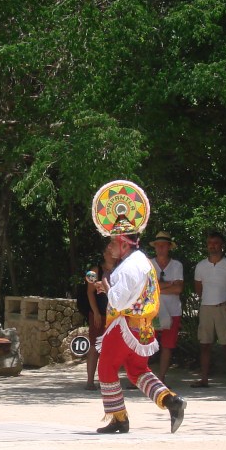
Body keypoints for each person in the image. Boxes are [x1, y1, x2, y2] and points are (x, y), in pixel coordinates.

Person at [90, 181, 186, 434]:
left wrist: (107, 287)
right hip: (143, 330)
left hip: (124, 328)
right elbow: (130, 295)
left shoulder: (128, 266)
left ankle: (119, 418)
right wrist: (108, 288)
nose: (110, 247)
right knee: (137, 370)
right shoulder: (142, 261)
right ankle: (171, 401)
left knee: (107, 368)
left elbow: (119, 301)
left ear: (123, 243)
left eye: (112, 242)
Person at [191, 231, 226, 388]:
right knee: (204, 344)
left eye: (216, 243)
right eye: (210, 243)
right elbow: (198, 289)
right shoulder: (200, 266)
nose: (212, 246)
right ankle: (204, 379)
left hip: (224, 307)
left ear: (222, 245)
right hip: (206, 307)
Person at [150, 230, 184, 381]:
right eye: (158, 245)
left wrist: (157, 286)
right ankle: (142, 376)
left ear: (169, 247)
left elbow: (178, 289)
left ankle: (161, 377)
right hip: (150, 311)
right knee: (145, 344)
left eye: (164, 246)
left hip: (172, 311)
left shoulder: (177, 265)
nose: (161, 248)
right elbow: (146, 287)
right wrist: (168, 284)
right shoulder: (149, 264)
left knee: (167, 346)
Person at [85, 241, 116, 390]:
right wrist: (96, 312)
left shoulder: (121, 269)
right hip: (99, 314)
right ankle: (90, 381)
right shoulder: (94, 270)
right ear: (104, 254)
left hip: (115, 315)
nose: (110, 254)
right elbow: (89, 292)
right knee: (94, 346)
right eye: (108, 251)